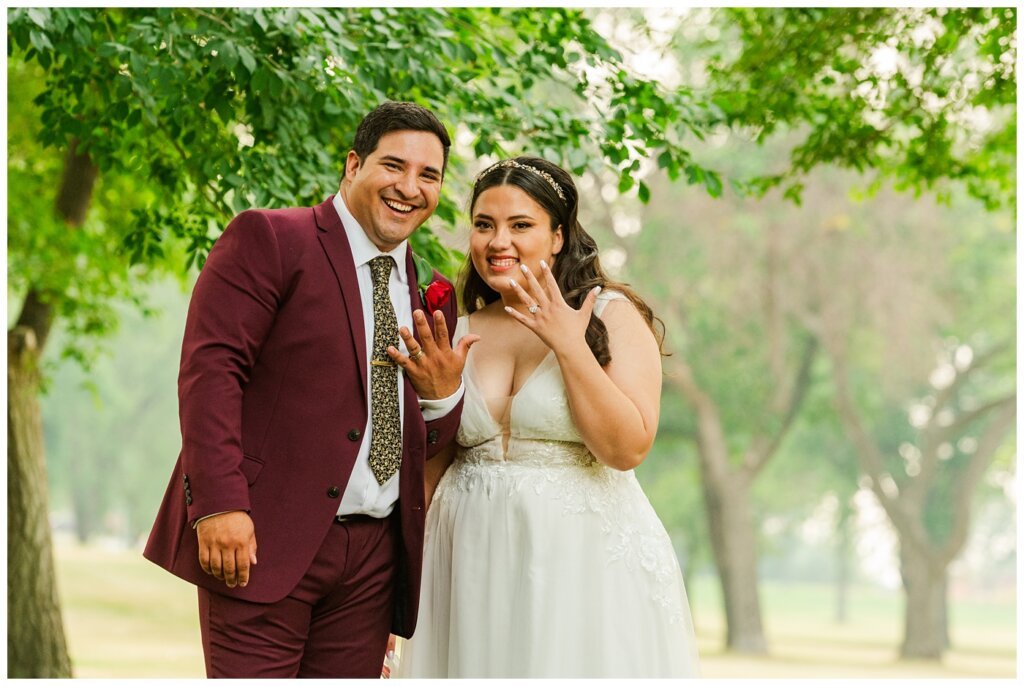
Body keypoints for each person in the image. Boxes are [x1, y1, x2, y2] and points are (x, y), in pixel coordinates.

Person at [143, 101, 478, 678]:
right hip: (264, 539)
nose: (409, 187)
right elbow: (210, 372)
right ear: (352, 165)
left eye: (429, 175)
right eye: (393, 165)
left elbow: (422, 439)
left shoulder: (427, 289)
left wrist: (444, 395)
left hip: (374, 562)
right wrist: (219, 504)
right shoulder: (271, 238)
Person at [393, 156, 700, 678]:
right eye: (484, 225)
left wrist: (568, 345)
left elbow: (626, 449)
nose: (498, 242)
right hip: (468, 559)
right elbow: (430, 469)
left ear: (558, 236)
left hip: (580, 564)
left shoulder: (612, 317)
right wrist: (396, 587)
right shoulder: (458, 328)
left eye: (521, 225)